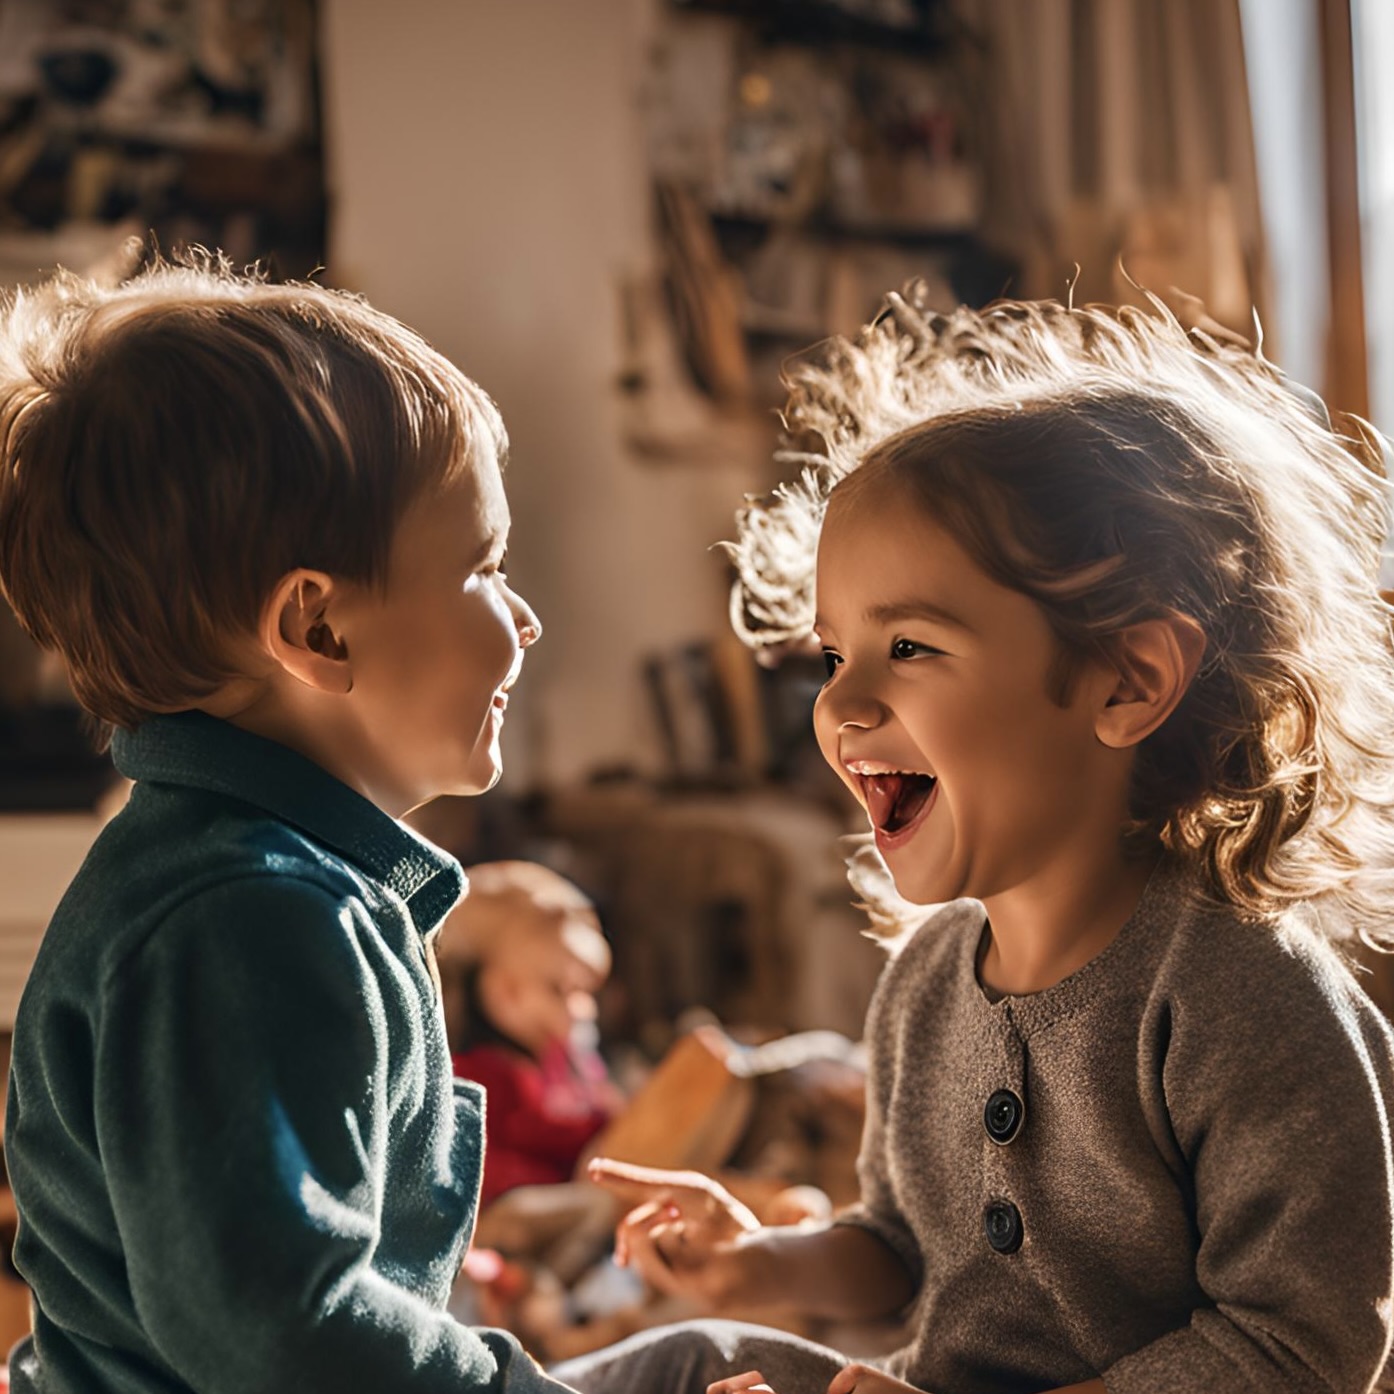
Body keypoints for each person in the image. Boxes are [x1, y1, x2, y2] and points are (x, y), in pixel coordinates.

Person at [551, 292, 1394, 1394]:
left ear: (1125, 680)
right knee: (683, 1360)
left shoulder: (1242, 992)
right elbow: (897, 1251)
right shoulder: (925, 982)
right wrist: (755, 1262)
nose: (839, 706)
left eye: (905, 645)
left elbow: (1299, 1344)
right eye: (829, 654)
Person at [0, 253, 581, 1393]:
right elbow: (279, 1325)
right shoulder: (247, 918)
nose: (525, 616)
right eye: (484, 565)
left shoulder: (248, 877)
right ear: (317, 629)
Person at [440, 860, 623, 1207]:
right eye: (559, 990)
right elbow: (533, 1135)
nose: (582, 1010)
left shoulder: (561, 1057)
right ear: (504, 992)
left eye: (586, 992)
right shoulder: (479, 1073)